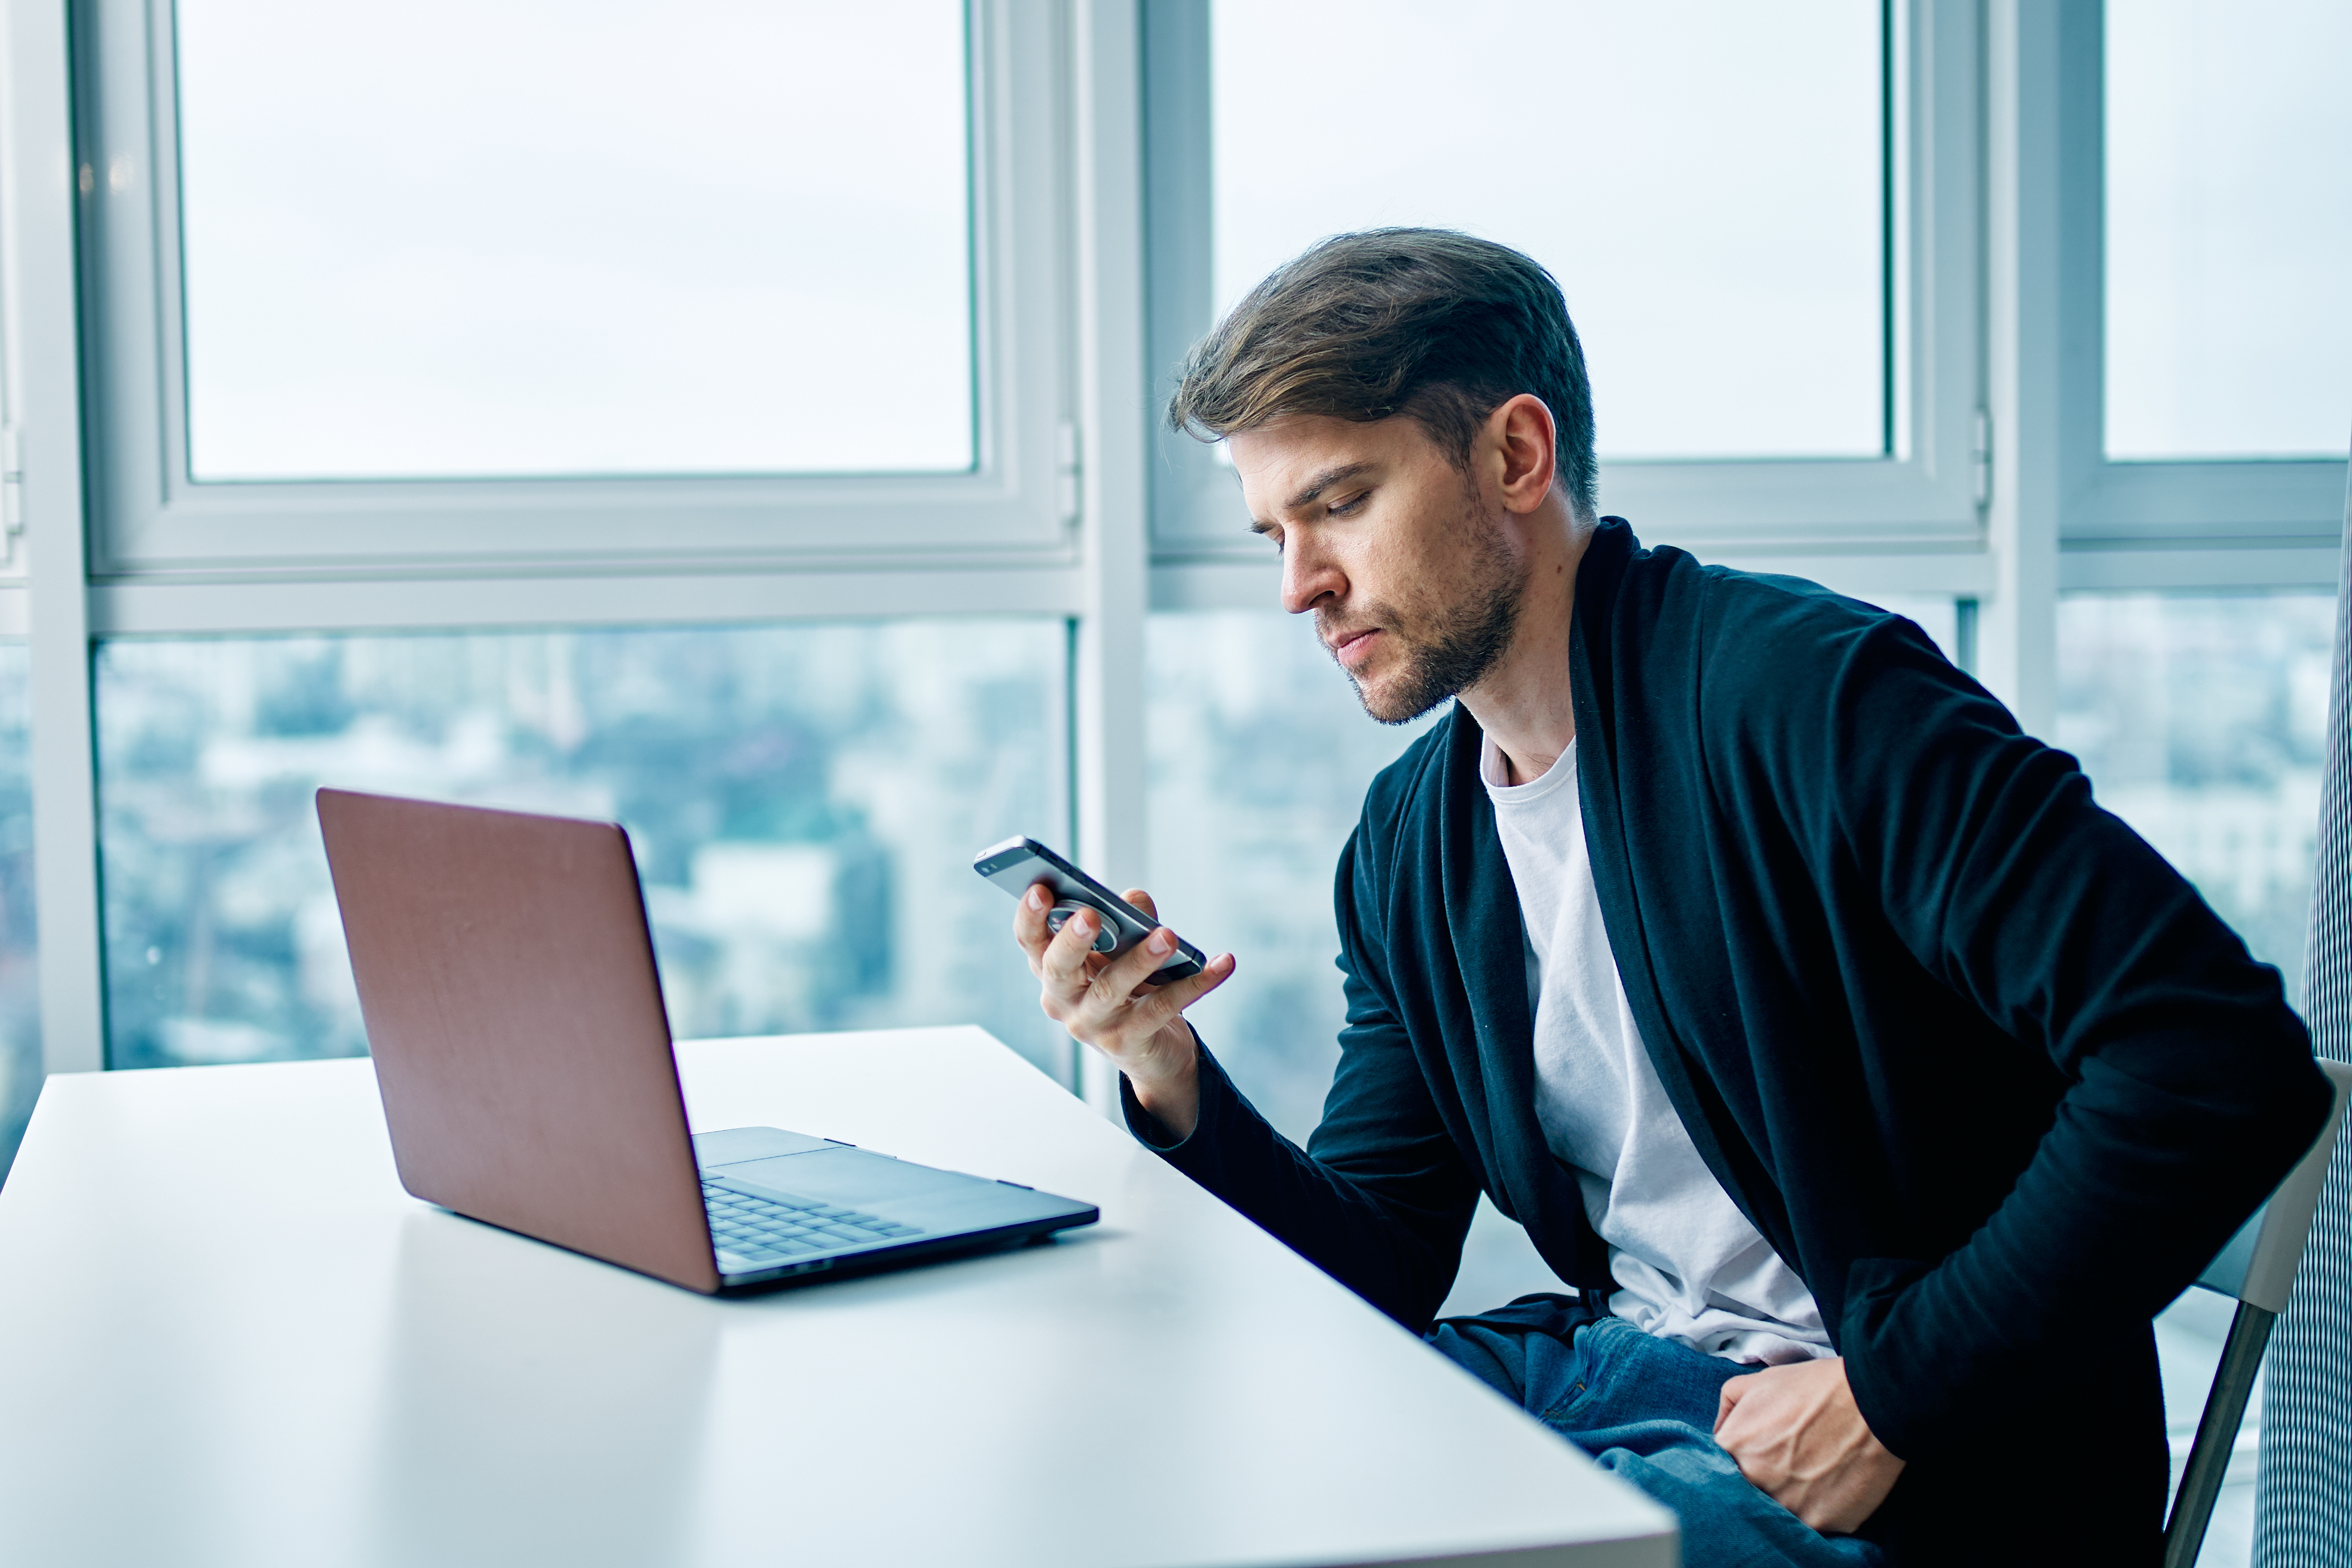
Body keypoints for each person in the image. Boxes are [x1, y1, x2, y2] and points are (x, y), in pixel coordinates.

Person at [1007, 229, 2329, 1566]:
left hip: (1911, 1454)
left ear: (1515, 457)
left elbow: (2217, 1057)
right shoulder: (1413, 846)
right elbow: (1381, 1258)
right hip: (1607, 1376)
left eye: (1341, 503)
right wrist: (1164, 1065)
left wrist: (1893, 1394)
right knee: (1140, 1470)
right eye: (1274, 533)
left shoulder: (1813, 700)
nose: (1300, 585)